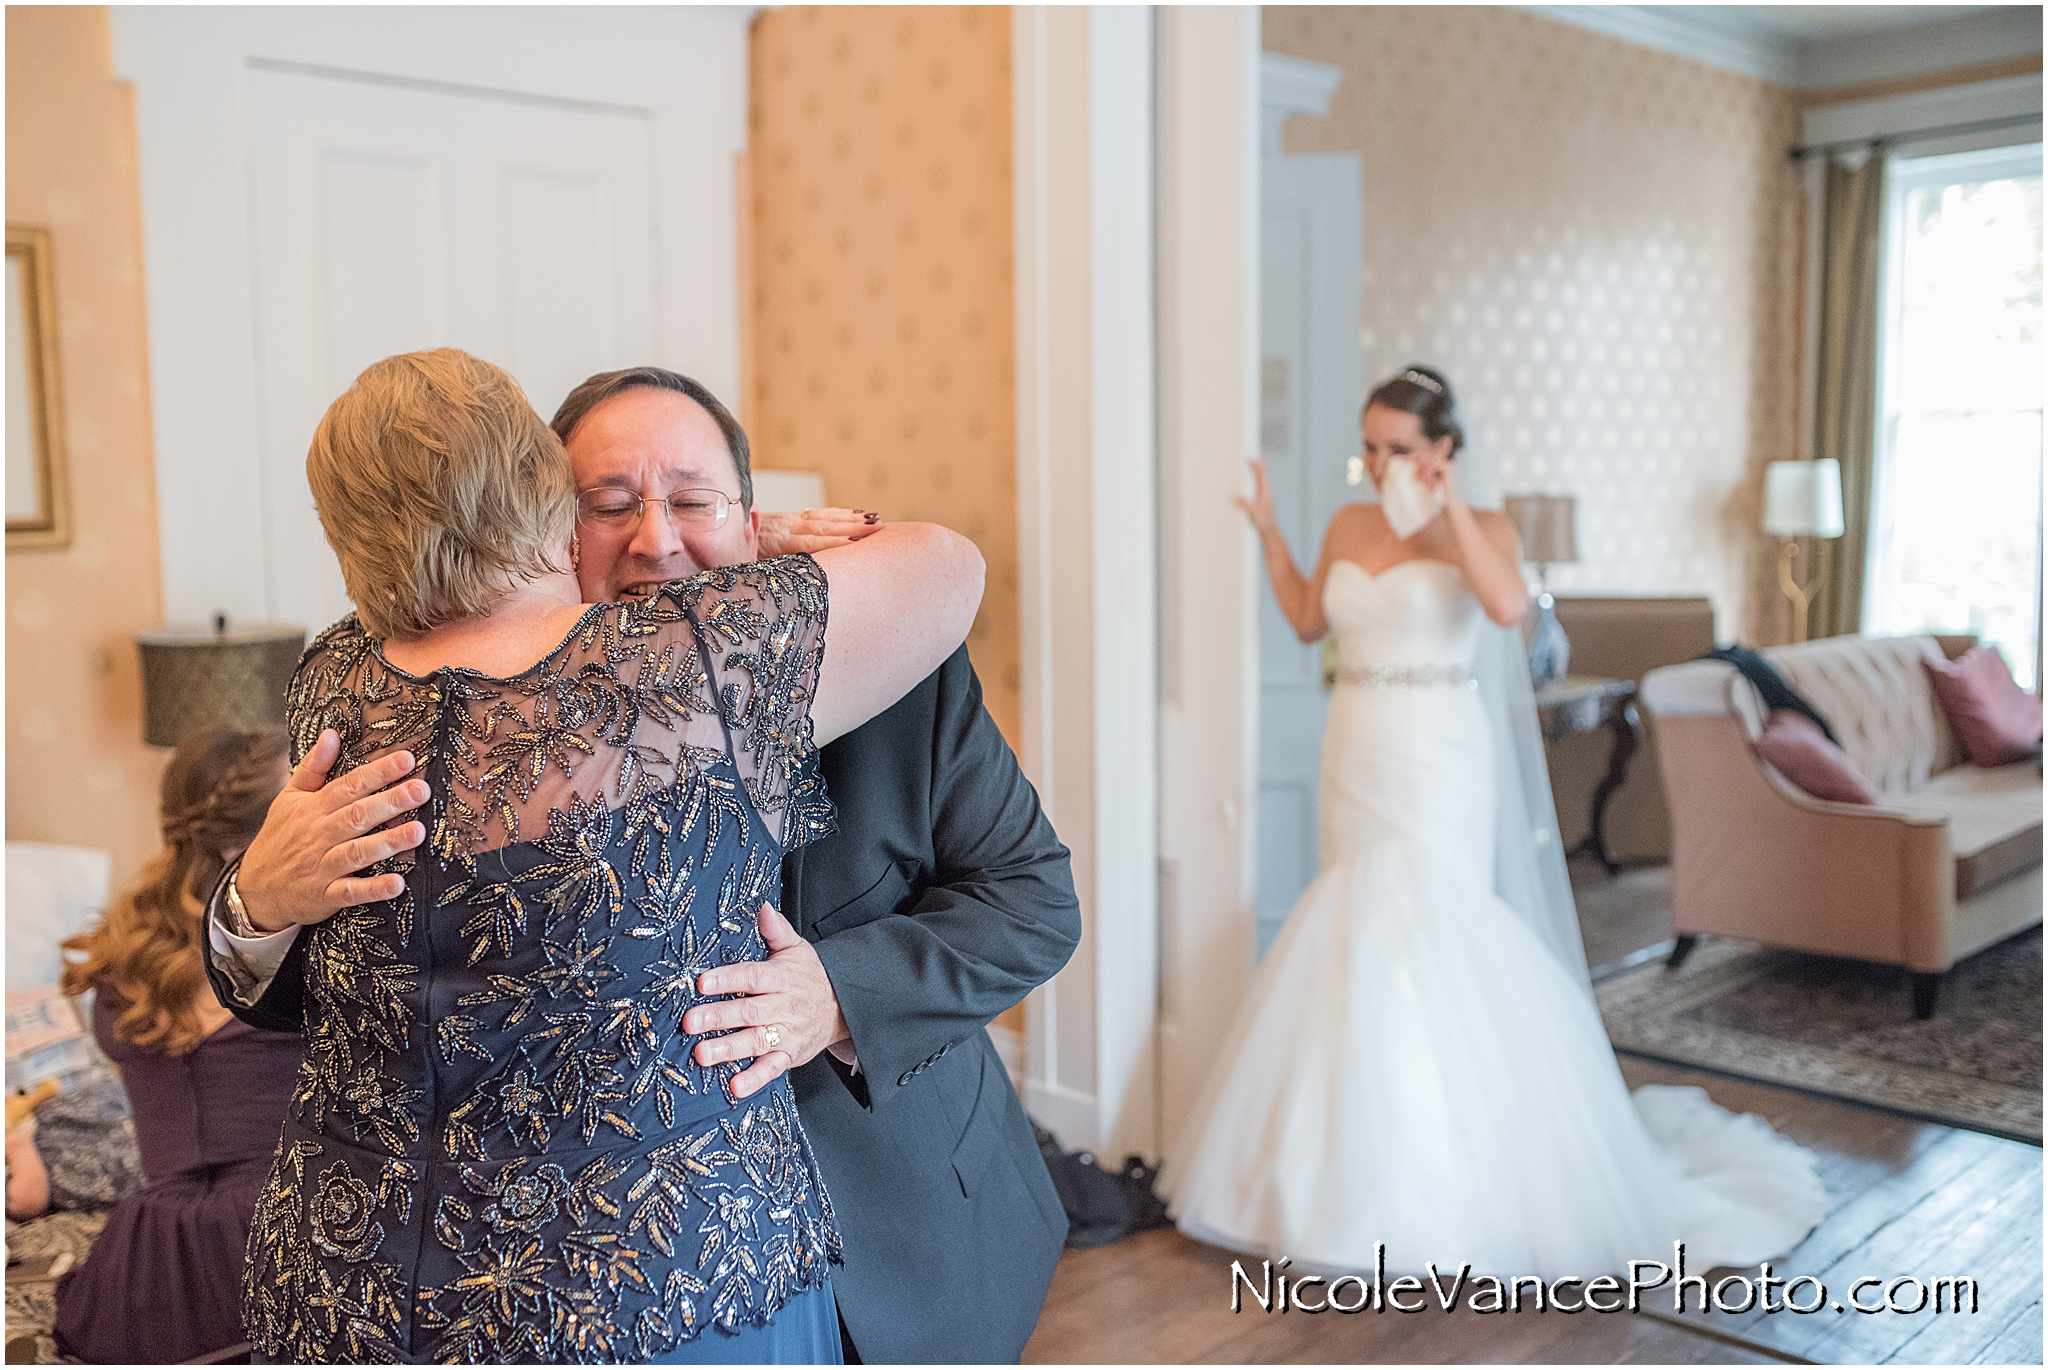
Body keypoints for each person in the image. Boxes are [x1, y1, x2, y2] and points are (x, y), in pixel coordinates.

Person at [209, 365, 1080, 1362]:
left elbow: (1032, 902)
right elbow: (341, 987)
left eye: (692, 500)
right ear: (540, 525)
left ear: (757, 524)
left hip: (897, 1227)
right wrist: (250, 899)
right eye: (608, 503)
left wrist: (833, 995)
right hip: (621, 1292)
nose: (656, 539)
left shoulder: (902, 668)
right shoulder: (400, 696)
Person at [1159, 364, 1828, 1276]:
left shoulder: (1485, 529)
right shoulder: (1350, 522)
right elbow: (1312, 619)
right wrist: (1270, 531)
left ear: (1441, 449)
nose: (1380, 460)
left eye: (1400, 446)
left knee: (1431, 929)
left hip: (1441, 752)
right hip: (1355, 744)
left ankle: (1451, 1180)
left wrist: (1453, 511)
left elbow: (1510, 610)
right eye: (1370, 444)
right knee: (1351, 931)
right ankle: (1334, 1176)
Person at [39, 727, 304, 1364]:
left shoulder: (123, 955)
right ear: (263, 833)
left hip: (146, 1260)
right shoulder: (307, 945)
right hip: (278, 1234)